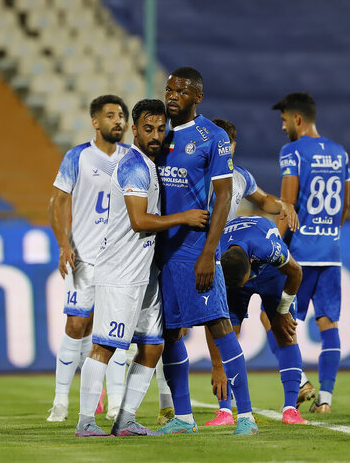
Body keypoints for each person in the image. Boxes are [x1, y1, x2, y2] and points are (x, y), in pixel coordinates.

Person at [75, 99, 209, 437]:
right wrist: (185, 217)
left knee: (152, 346)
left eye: (161, 129)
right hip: (120, 270)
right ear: (135, 129)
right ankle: (85, 421)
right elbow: (138, 221)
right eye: (148, 129)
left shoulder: (150, 164)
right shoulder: (134, 165)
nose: (155, 135)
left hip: (144, 272)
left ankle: (126, 419)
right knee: (105, 345)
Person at [155, 67, 258, 436]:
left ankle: (244, 415)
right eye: (169, 89)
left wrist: (208, 252)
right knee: (169, 334)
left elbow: (224, 196)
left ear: (198, 96)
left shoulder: (211, 137)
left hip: (195, 250)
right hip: (160, 253)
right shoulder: (158, 134)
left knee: (220, 326)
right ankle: (183, 417)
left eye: (181, 91)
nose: (172, 96)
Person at [48, 95, 131, 422]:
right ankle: (60, 401)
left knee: (115, 332)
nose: (118, 121)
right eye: (111, 115)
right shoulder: (78, 157)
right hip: (84, 257)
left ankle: (114, 404)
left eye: (122, 116)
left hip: (121, 260)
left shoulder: (133, 159)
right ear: (96, 122)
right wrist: (63, 244)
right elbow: (56, 202)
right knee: (76, 325)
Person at [273, 92, 350, 413]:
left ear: (298, 120)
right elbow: (345, 205)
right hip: (331, 253)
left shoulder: (293, 152)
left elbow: (287, 207)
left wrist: (273, 246)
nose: (282, 128)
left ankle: (301, 381)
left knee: (273, 317)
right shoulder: (340, 153)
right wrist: (328, 234)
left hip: (300, 255)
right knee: (328, 324)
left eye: (284, 121)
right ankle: (326, 401)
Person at [207, 215, 307, 425]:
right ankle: (224, 411)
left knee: (284, 331)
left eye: (244, 282)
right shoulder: (215, 258)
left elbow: (296, 272)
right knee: (226, 332)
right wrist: (217, 365)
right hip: (233, 272)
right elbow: (213, 321)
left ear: (251, 263)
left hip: (271, 274)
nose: (244, 287)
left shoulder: (268, 248)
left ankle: (291, 409)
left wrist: (282, 312)